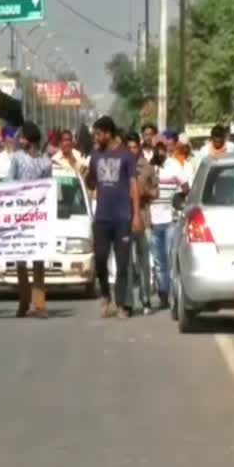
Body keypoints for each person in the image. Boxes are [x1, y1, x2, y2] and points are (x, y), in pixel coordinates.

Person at [86, 116, 142, 319]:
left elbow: (134, 186)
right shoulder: (95, 156)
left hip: (122, 217)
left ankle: (121, 304)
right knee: (100, 259)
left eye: (99, 133)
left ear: (108, 133)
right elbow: (91, 183)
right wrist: (86, 176)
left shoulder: (126, 156)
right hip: (102, 217)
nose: (96, 137)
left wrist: (136, 215)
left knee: (122, 262)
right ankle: (105, 294)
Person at [9, 121, 52, 319]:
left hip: (39, 216)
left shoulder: (45, 162)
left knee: (38, 260)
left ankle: (39, 304)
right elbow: (10, 184)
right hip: (19, 215)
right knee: (20, 261)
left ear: (31, 139)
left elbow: (49, 188)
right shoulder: (17, 158)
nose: (20, 139)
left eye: (23, 136)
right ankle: (23, 301)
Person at [149, 141, 189, 310]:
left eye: (162, 151)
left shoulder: (174, 166)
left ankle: (173, 296)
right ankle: (163, 294)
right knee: (159, 261)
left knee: (170, 258)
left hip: (170, 220)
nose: (159, 154)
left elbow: (186, 187)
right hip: (152, 221)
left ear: (166, 152)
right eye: (156, 151)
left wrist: (178, 201)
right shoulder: (149, 168)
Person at [125, 132, 157, 314]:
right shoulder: (122, 166)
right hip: (126, 219)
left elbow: (156, 191)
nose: (131, 151)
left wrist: (145, 192)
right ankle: (129, 303)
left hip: (144, 219)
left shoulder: (147, 168)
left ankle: (146, 299)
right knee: (128, 262)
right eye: (128, 148)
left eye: (134, 147)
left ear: (139, 147)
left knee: (144, 261)